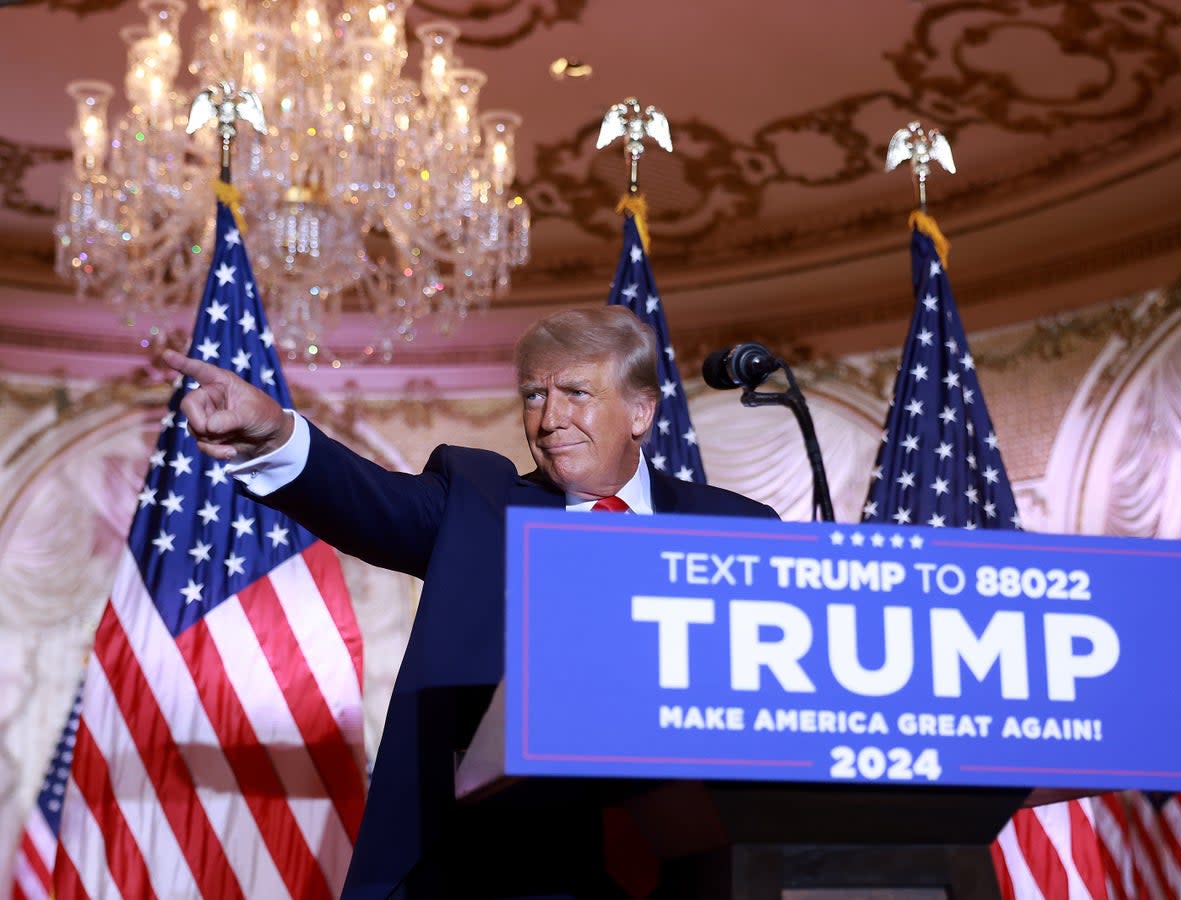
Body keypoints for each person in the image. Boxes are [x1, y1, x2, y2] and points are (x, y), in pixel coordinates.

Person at [164, 305, 778, 899]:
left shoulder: (738, 527)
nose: (549, 418)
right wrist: (276, 435)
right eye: (534, 396)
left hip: (708, 861)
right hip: (503, 864)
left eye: (575, 393)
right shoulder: (477, 504)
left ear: (640, 411)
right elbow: (368, 501)